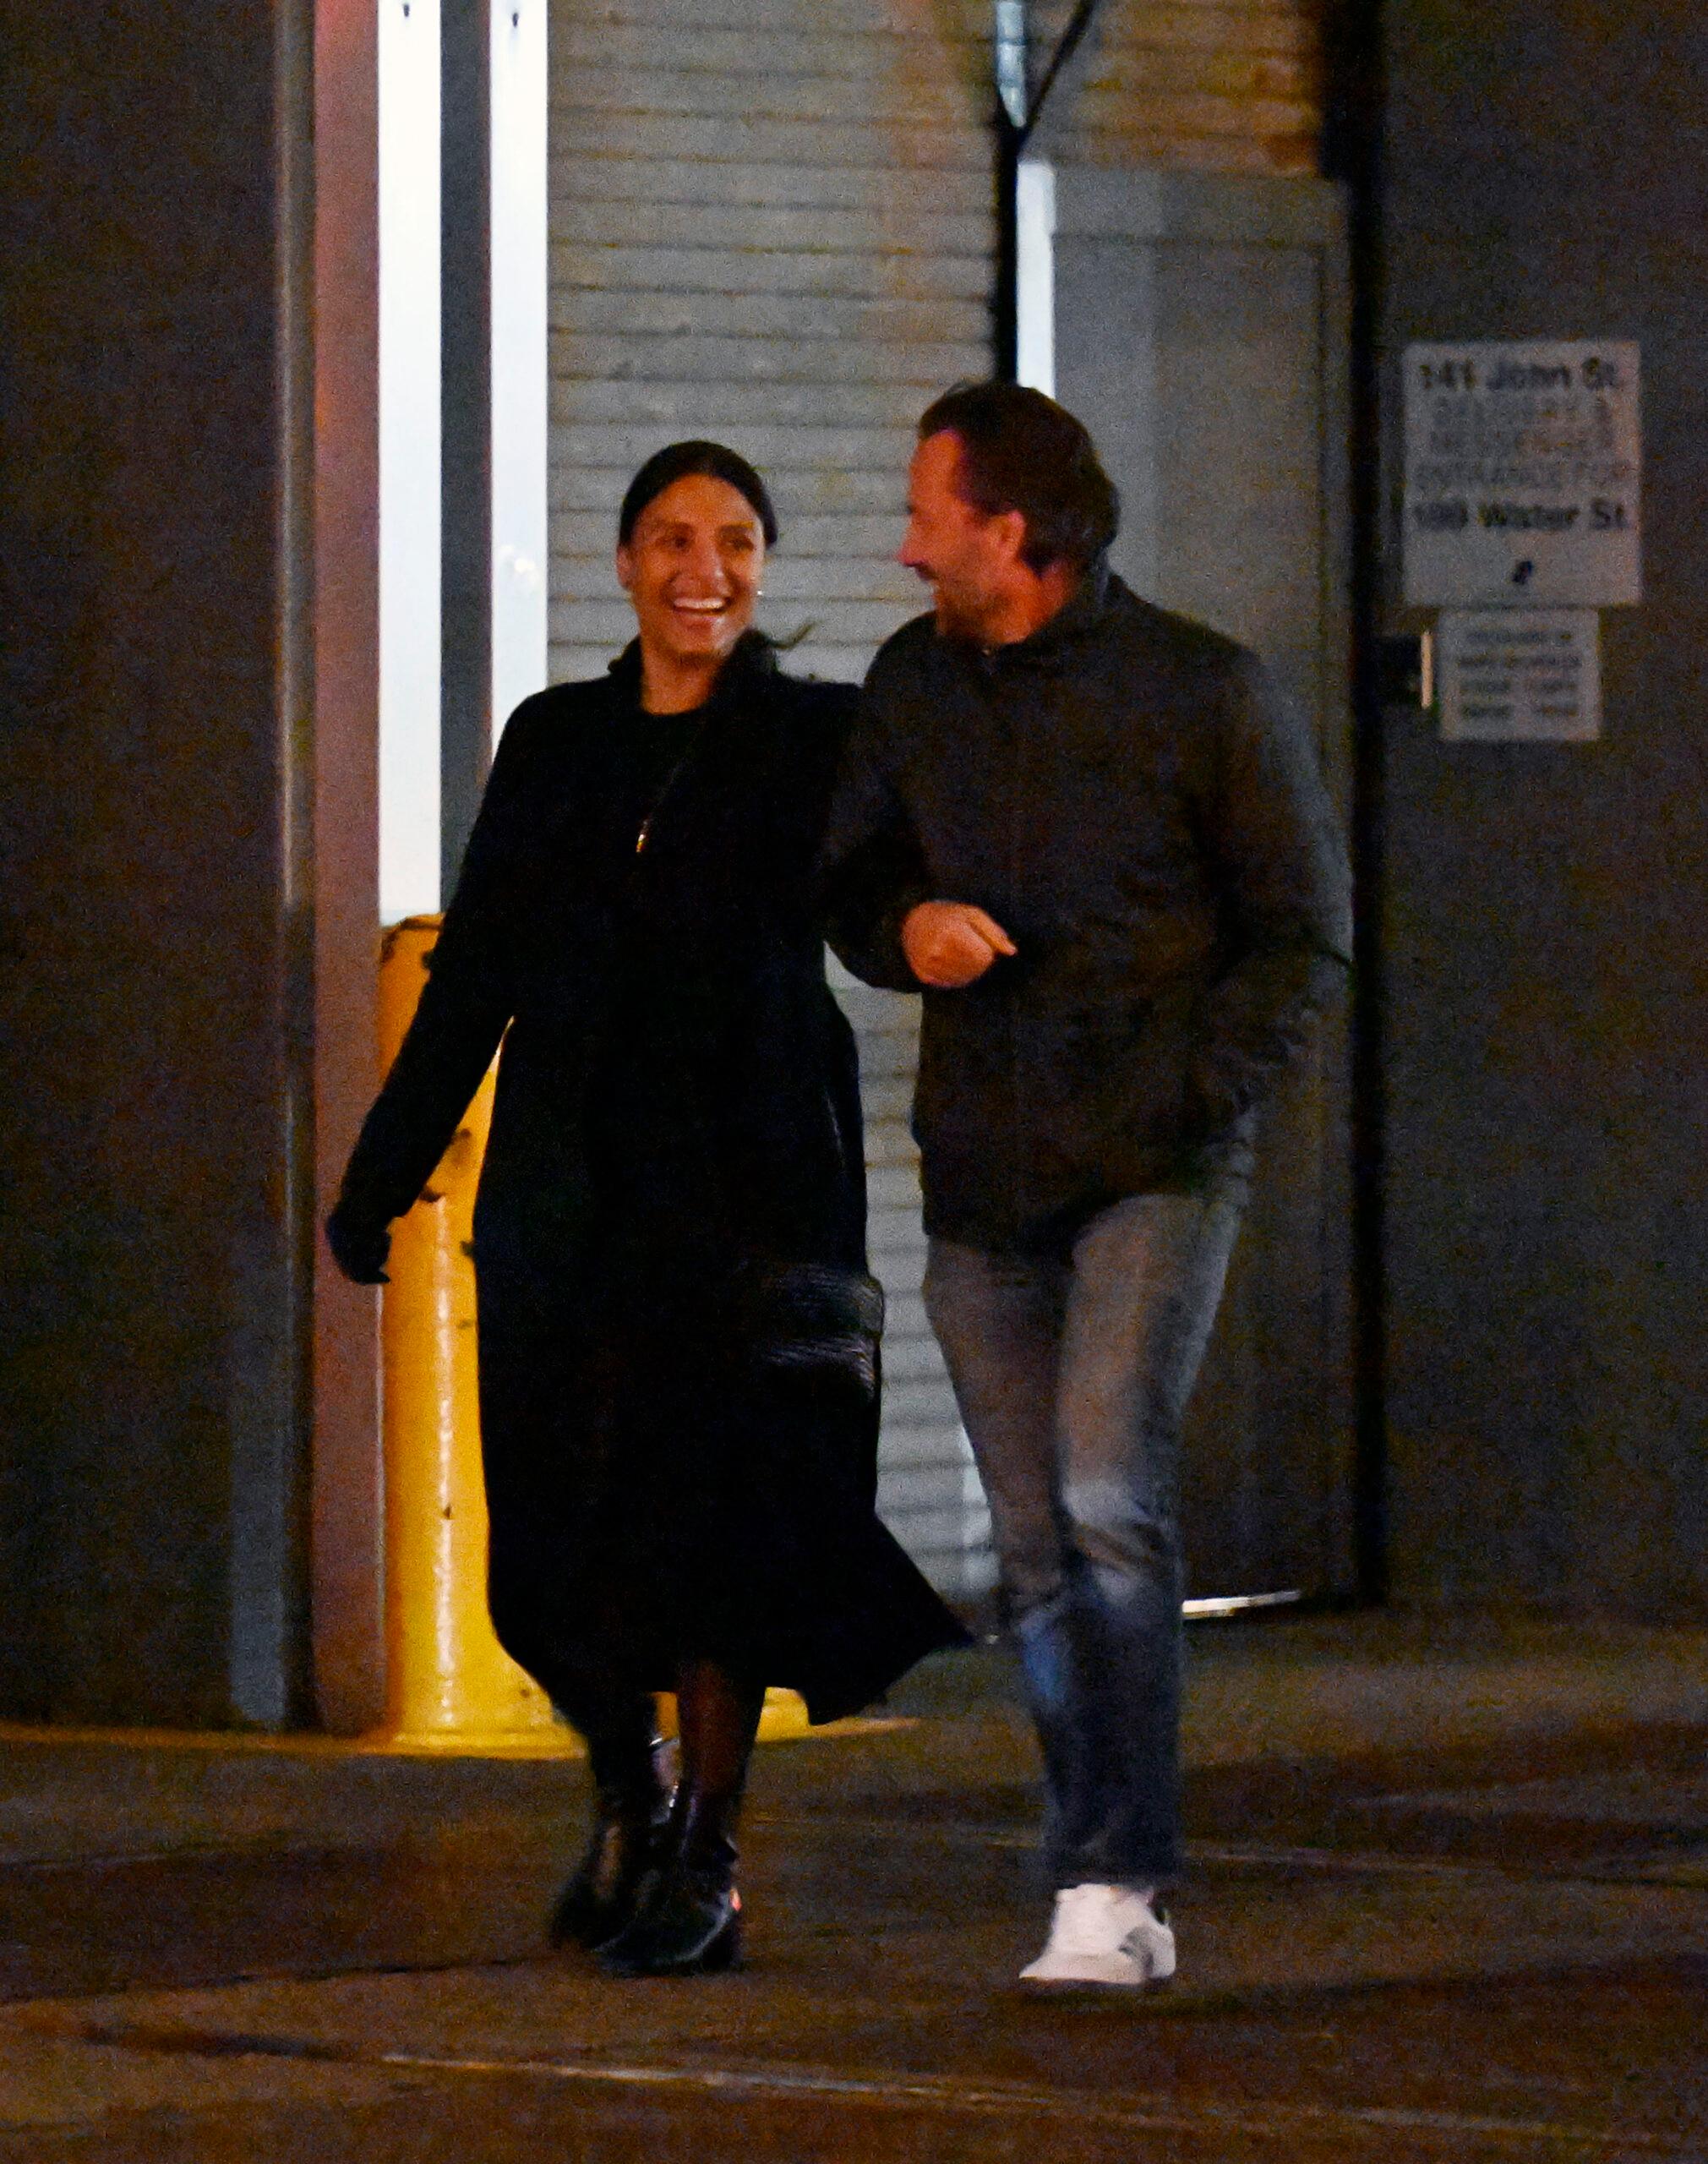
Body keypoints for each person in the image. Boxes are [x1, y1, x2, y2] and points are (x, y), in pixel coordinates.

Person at [326, 440, 968, 1979]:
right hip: (566, 1178)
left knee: (722, 1524)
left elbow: (877, 905)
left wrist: (936, 934)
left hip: (747, 1183)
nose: (706, 569)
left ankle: (709, 1855)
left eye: (737, 540)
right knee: (549, 1535)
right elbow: (474, 968)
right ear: (621, 563)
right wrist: (381, 1173)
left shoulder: (813, 738)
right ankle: (628, 1782)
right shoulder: (553, 741)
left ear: (762, 566)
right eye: (673, 538)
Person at [817, 384, 1351, 1990]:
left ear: (1013, 532)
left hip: (1153, 1169)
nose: (904, 550)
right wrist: (901, 928)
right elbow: (850, 881)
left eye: (930, 518)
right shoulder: (912, 688)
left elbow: (1301, 935)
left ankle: (1113, 1884)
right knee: (1037, 1535)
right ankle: (1095, 1866)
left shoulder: (1203, 692)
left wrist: (1185, 1100)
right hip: (983, 1176)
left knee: (1113, 1498)